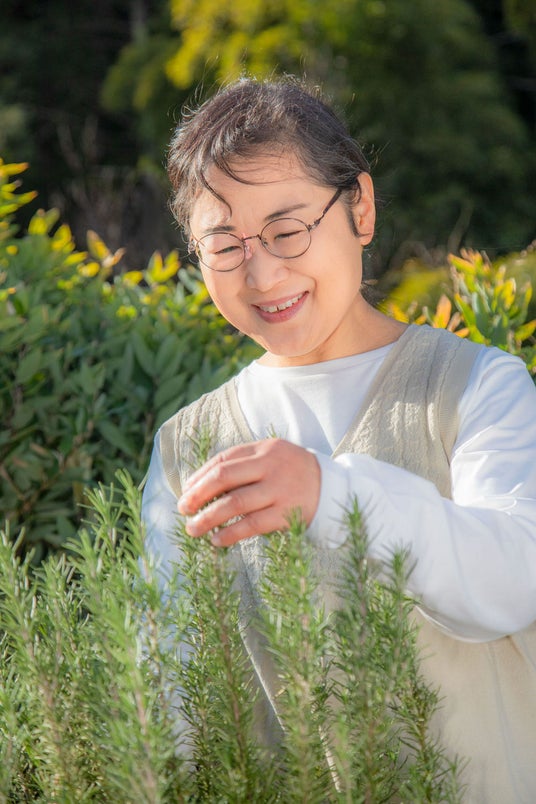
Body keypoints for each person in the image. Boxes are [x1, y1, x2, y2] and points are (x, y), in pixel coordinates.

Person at [142, 76, 536, 802]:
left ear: (360, 208)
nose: (263, 272)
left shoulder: (479, 386)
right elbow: (168, 696)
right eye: (224, 245)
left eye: (287, 229)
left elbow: (515, 581)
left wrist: (332, 494)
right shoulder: (185, 448)